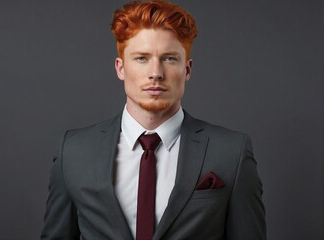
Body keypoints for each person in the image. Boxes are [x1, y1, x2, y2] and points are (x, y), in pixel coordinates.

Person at [40, 1, 266, 239]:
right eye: (141, 58)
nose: (156, 72)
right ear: (120, 68)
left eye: (169, 59)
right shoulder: (74, 151)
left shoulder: (232, 153)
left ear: (187, 70)